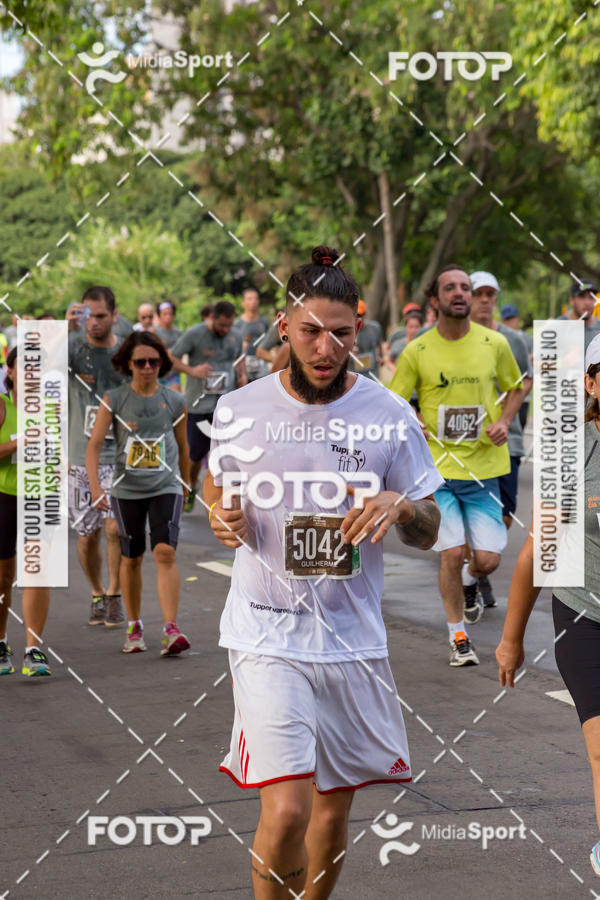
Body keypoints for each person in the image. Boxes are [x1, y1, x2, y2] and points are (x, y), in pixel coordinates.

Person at [203, 245, 442, 900]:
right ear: (285, 327)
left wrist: (401, 506)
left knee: (332, 813)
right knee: (286, 812)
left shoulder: (388, 414)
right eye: (311, 330)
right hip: (265, 632)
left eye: (340, 332)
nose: (326, 346)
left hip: (351, 637)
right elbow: (216, 484)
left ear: (357, 331)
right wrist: (222, 514)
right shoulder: (241, 410)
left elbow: (432, 528)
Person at [496, 332, 600, 879]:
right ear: (590, 383)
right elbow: (539, 554)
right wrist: (511, 640)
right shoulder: (571, 450)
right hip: (582, 612)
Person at [390, 264, 523, 666]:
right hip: (439, 471)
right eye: (451, 288)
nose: (461, 293)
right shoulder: (418, 350)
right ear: (436, 299)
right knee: (450, 552)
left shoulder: (494, 343)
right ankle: (458, 637)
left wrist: (502, 421)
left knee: (487, 560)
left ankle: (471, 581)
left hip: (483, 469)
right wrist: (413, 419)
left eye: (465, 287)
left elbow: (515, 387)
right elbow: (395, 403)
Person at [86, 332, 191, 656]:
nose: (147, 367)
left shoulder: (174, 399)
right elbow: (94, 446)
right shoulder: (114, 399)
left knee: (165, 552)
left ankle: (171, 630)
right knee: (132, 559)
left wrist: (186, 483)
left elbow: (184, 446)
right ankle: (134, 626)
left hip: (166, 484)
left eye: (154, 361)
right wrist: (95, 487)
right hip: (127, 488)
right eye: (140, 362)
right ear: (128, 364)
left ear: (161, 363)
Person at [470, 272, 533, 608]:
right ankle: (475, 576)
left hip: (507, 442)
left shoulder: (514, 339)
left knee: (505, 514)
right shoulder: (455, 339)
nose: (483, 299)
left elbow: (524, 382)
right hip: (466, 445)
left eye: (489, 294)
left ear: (495, 298)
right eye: (477, 293)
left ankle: (477, 569)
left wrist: (506, 420)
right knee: (471, 511)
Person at [66, 286, 125, 627]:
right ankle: (97, 590)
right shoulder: (74, 348)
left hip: (117, 455)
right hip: (79, 455)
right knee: (87, 537)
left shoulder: (124, 354)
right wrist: (65, 328)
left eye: (101, 316)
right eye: (88, 315)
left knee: (115, 529)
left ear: (114, 315)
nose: (94, 323)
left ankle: (115, 594)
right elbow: (38, 367)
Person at [0, 348, 51, 676]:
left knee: (37, 571)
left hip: (39, 496)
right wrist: (22, 443)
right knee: (4, 575)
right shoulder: (2, 406)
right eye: (25, 367)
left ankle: (34, 649)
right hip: (4, 495)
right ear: (11, 371)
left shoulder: (50, 410)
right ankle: (1, 642)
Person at [169, 300, 247, 513]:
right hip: (199, 405)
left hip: (227, 405)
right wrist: (191, 370)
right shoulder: (195, 333)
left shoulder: (235, 335)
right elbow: (170, 357)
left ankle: (226, 499)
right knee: (195, 455)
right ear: (212, 318)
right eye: (221, 325)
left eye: (229, 325)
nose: (225, 330)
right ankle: (191, 486)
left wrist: (242, 375)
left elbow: (239, 357)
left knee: (228, 454)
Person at [500, 303, 533, 429]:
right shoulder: (500, 337)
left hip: (522, 392)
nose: (510, 323)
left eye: (512, 319)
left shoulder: (526, 339)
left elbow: (536, 360)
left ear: (517, 319)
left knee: (520, 425)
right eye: (507, 320)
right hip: (504, 394)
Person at [233, 288, 271, 381]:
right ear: (243, 303)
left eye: (256, 298)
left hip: (262, 367)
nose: (253, 301)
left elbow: (272, 343)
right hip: (243, 367)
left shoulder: (263, 322)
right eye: (250, 299)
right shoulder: (236, 324)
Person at [557, 281, 600, 349]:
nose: (587, 303)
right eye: (582, 297)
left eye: (591, 297)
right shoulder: (556, 327)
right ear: (571, 300)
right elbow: (540, 358)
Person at [348, 299, 383, 381]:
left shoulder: (375, 328)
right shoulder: (346, 331)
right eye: (355, 315)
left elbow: (379, 344)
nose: (358, 318)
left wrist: (381, 357)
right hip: (354, 374)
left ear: (365, 315)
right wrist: (349, 352)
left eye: (360, 315)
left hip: (372, 373)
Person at [153, 300, 182, 390]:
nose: (168, 316)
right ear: (159, 315)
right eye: (165, 314)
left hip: (173, 374)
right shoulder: (153, 332)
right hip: (156, 374)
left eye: (170, 313)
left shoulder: (178, 333)